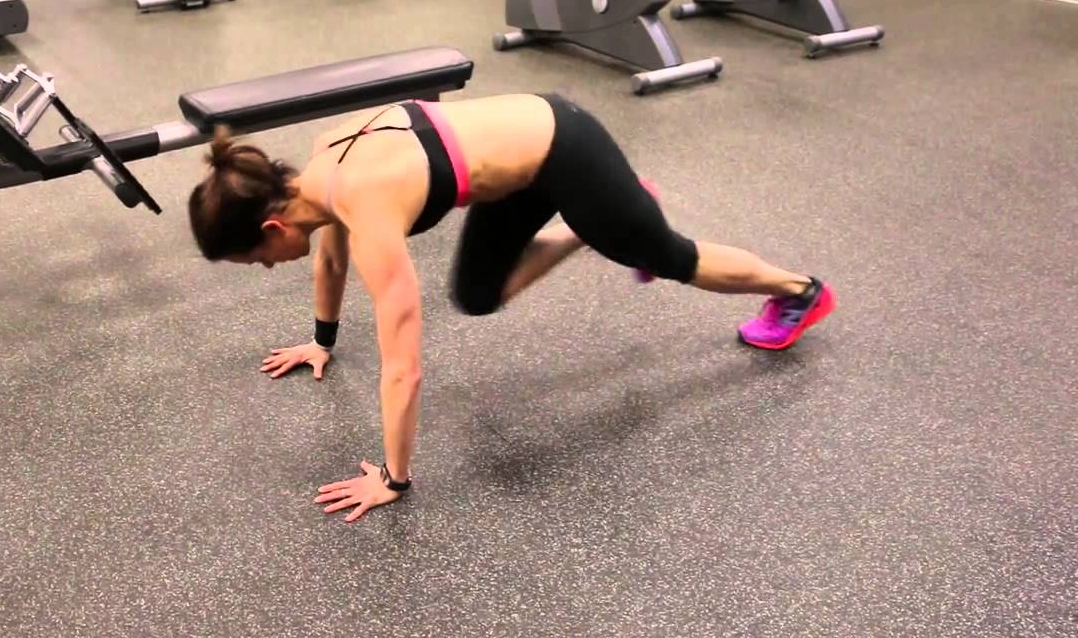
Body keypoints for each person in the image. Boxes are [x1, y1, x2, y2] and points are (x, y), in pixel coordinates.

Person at [187, 92, 837, 523]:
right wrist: (321, 340)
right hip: (514, 171)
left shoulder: (367, 207)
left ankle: (799, 291)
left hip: (566, 149)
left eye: (259, 261)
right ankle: (597, 226)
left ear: (271, 228)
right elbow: (329, 261)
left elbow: (403, 366)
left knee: (672, 255)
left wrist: (393, 478)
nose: (268, 268)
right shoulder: (317, 174)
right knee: (475, 295)